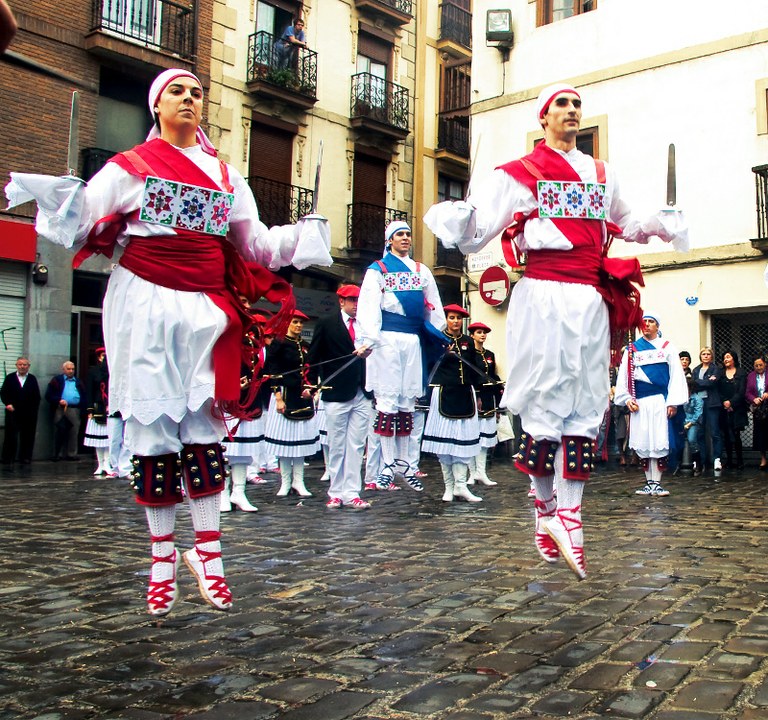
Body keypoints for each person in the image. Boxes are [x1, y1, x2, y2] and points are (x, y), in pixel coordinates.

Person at [6, 68, 331, 616]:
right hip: (146, 302)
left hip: (204, 308)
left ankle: (208, 553)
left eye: (197, 92)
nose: (189, 98)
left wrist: (304, 234)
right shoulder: (129, 167)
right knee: (155, 433)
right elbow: (84, 219)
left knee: (204, 429)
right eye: (176, 91)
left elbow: (254, 246)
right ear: (156, 106)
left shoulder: (227, 176)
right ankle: (161, 557)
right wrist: (62, 196)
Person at [424, 82, 687, 579]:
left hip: (588, 297)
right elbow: (478, 229)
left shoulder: (601, 174)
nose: (571, 111)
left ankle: (569, 514)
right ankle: (545, 511)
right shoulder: (521, 173)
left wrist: (663, 220)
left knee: (585, 403)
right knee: (545, 400)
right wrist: (462, 217)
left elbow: (628, 224)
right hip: (542, 292)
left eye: (577, 105)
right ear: (544, 117)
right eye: (561, 104)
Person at [356, 220, 447, 492]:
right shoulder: (377, 270)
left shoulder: (421, 270)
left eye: (408, 234)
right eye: (400, 235)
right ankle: (385, 463)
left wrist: (436, 334)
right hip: (387, 339)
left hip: (412, 340)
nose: (405, 238)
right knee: (387, 401)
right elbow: (369, 304)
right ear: (390, 241)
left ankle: (405, 462)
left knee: (408, 402)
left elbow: (434, 304)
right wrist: (368, 338)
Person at [307, 284, 374, 510]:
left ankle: (352, 492)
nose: (356, 304)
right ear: (341, 301)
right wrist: (309, 383)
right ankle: (335, 492)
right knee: (337, 444)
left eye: (358, 300)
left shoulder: (369, 325)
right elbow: (313, 356)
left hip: (362, 391)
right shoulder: (326, 324)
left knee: (356, 445)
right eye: (351, 300)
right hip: (336, 391)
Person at [614, 315, 688, 497]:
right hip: (640, 402)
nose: (646, 325)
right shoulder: (631, 349)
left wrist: (673, 402)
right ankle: (649, 482)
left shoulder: (667, 347)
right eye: (644, 322)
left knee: (659, 440)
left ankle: (658, 482)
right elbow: (624, 375)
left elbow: (676, 375)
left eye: (651, 321)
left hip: (660, 401)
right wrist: (627, 398)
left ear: (657, 326)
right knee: (644, 441)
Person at [422, 304, 484, 502]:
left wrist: (480, 394)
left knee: (462, 444)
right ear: (446, 319)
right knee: (445, 445)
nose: (455, 321)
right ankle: (448, 487)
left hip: (465, 395)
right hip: (443, 394)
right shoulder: (437, 340)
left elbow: (474, 369)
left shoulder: (468, 341)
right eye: (451, 317)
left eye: (458, 318)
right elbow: (428, 363)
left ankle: (461, 486)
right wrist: (441, 354)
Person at [264, 310, 320, 498]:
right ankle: (285, 481)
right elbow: (272, 371)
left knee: (300, 441)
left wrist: (311, 388)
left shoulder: (304, 345)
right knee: (285, 442)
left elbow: (310, 370)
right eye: (295, 322)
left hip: (302, 395)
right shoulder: (278, 344)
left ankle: (299, 481)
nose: (298, 326)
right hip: (284, 394)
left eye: (300, 323)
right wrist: (278, 398)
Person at [467, 321, 503, 486]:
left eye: (484, 332)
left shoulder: (490, 354)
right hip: (475, 397)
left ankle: (481, 472)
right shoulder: (469, 354)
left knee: (484, 436)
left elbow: (493, 376)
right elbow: (470, 377)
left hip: (489, 397)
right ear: (472, 335)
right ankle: (471, 473)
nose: (482, 335)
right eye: (479, 332)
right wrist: (478, 395)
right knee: (472, 436)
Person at [1, 356, 41, 466]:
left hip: (28, 414)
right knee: (10, 436)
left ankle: (25, 458)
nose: (22, 367)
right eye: (20, 364)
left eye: (25, 365)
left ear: (28, 366)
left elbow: (36, 397)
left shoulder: (32, 379)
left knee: (28, 436)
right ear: (16, 366)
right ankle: (8, 459)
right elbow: (3, 393)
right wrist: (8, 404)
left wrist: (33, 411)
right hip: (13, 412)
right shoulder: (10, 378)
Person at [45, 361, 85, 461]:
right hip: (60, 408)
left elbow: (84, 395)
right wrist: (58, 400)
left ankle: (71, 454)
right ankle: (56, 454)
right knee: (59, 431)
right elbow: (48, 395)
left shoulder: (78, 381)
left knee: (74, 432)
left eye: (73, 369)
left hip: (74, 409)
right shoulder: (57, 380)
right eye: (68, 369)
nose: (71, 371)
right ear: (63, 370)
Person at [692, 347, 723, 473]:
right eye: (703, 354)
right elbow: (694, 383)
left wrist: (701, 382)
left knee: (715, 431)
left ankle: (717, 458)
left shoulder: (716, 368)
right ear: (700, 356)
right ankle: (701, 460)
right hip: (699, 403)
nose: (705, 356)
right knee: (700, 432)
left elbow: (712, 384)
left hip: (712, 403)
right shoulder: (696, 369)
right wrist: (705, 381)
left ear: (711, 356)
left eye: (708, 354)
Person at [83, 348, 112, 476]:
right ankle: (100, 464)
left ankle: (108, 463)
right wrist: (89, 408)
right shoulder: (93, 371)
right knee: (98, 439)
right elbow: (89, 391)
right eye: (102, 356)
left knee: (109, 438)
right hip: (97, 407)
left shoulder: (112, 371)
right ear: (99, 357)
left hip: (109, 407)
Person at [717, 350, 748, 470]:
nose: (726, 359)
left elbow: (741, 391)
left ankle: (740, 460)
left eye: (728, 357)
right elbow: (718, 390)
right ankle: (729, 460)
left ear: (734, 359)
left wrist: (731, 403)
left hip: (737, 408)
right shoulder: (720, 373)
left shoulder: (741, 373)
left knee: (736, 434)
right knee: (726, 434)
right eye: (724, 358)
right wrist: (725, 402)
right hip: (724, 408)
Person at [746, 355, 768, 471]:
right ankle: (763, 458)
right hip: (759, 408)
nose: (759, 367)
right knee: (760, 434)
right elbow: (748, 392)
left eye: (761, 365)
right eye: (756, 366)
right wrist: (753, 399)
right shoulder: (751, 376)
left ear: (765, 364)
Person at [680, 374, 704, 476]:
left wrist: (689, 424)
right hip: (682, 422)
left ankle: (698, 463)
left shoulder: (697, 399)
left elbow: (698, 414)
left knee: (692, 440)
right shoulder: (681, 398)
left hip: (693, 423)